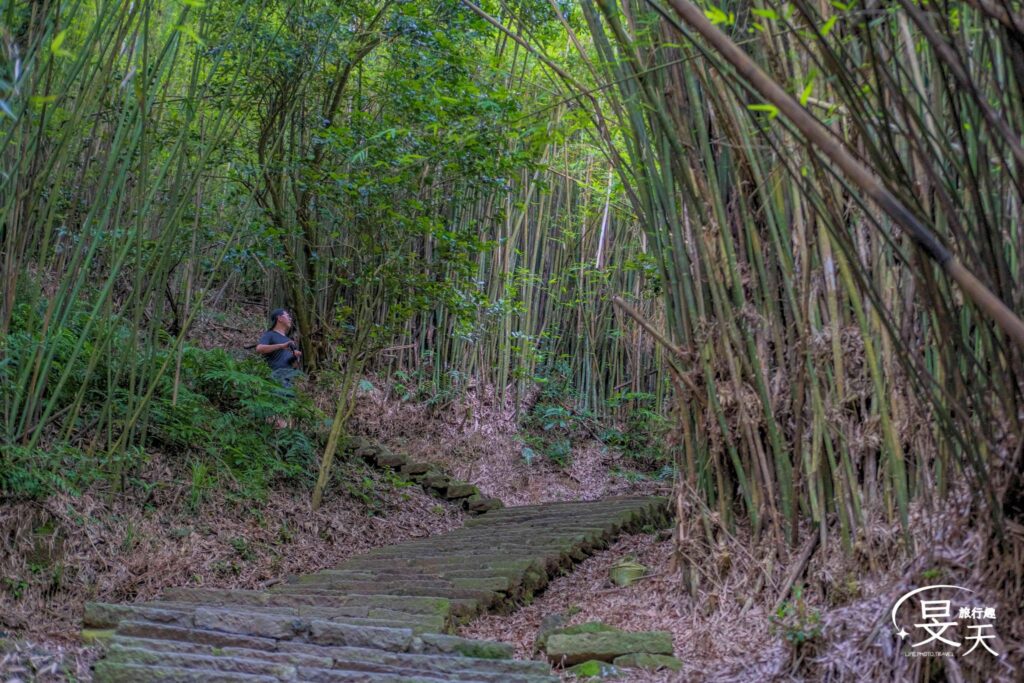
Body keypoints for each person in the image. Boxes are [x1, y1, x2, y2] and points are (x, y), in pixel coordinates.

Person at [255, 308, 303, 426]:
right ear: (279, 318)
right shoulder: (270, 335)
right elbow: (259, 348)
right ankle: (275, 430)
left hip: (289, 379)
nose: (290, 318)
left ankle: (285, 432)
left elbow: (294, 365)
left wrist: (295, 357)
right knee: (276, 407)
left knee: (288, 408)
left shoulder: (289, 341)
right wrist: (282, 346)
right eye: (288, 316)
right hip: (275, 376)